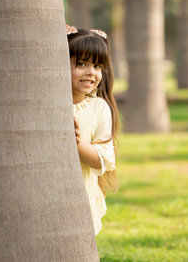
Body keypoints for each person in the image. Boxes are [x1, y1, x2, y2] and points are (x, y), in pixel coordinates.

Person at [66, 25, 120, 235]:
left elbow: (105, 160)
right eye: (81, 63)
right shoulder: (48, 107)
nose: (91, 72)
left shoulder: (99, 108)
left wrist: (78, 144)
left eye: (97, 66)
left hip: (83, 196)